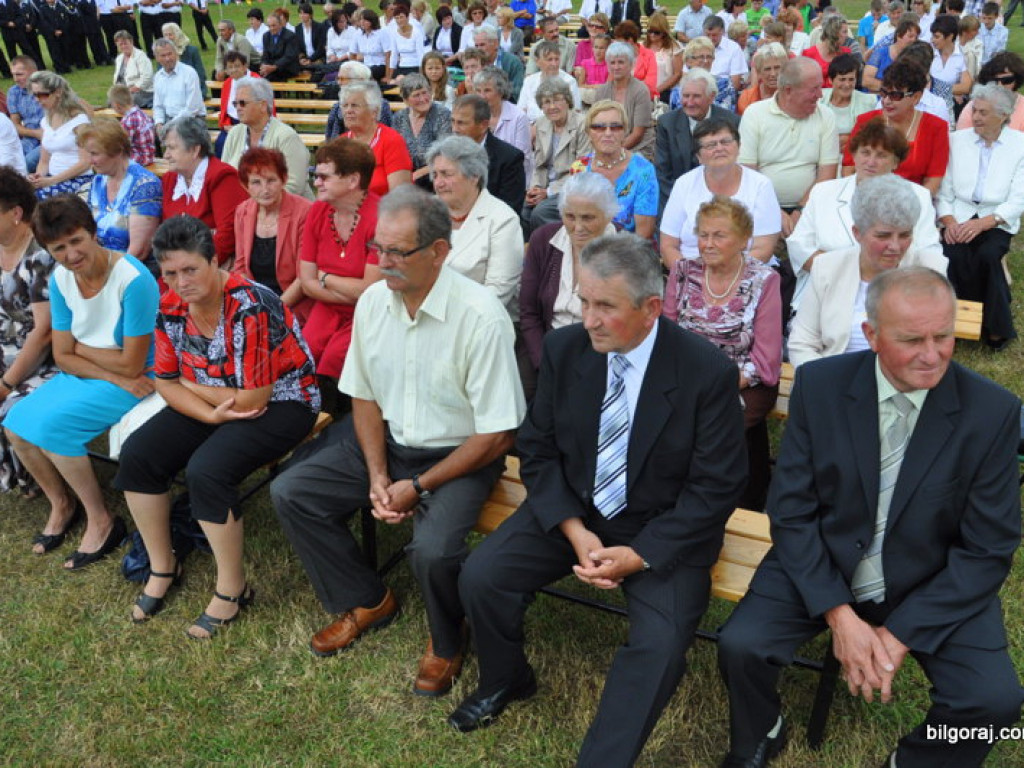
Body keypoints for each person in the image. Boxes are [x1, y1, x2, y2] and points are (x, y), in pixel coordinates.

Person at [450, 230, 746, 767]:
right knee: (482, 576)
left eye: (605, 306)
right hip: (578, 513)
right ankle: (507, 677)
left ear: (652, 307)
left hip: (663, 533)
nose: (588, 319)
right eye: (583, 301)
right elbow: (537, 449)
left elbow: (716, 488)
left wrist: (641, 553)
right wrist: (573, 529)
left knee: (657, 647)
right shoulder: (567, 349)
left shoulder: (706, 373)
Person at [717, 266, 1024, 768]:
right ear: (872, 335)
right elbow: (791, 510)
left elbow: (988, 550)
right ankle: (761, 729)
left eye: (943, 336)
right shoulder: (820, 387)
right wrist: (839, 614)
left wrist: (899, 633)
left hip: (932, 576)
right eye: (912, 339)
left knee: (994, 701)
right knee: (740, 646)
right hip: (827, 559)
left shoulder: (992, 414)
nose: (932, 354)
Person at [271, 185, 525, 698]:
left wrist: (419, 485)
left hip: (461, 454)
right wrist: (379, 473)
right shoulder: (374, 304)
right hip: (390, 440)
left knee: (432, 550)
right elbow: (363, 396)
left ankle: (448, 639)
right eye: (377, 249)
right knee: (291, 491)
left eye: (395, 252)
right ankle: (368, 599)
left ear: (438, 252)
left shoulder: (480, 317)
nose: (381, 263)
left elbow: (497, 433)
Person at [112, 214, 319, 638]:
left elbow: (251, 400)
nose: (181, 282)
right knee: (138, 454)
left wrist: (189, 384)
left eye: (190, 269)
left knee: (208, 469)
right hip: (212, 396)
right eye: (170, 273)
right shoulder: (169, 304)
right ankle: (162, 564)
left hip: (284, 400)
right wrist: (206, 412)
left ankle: (233, 588)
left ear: (214, 261)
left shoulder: (249, 304)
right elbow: (165, 383)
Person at [4, 195, 159, 569]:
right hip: (99, 374)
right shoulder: (60, 279)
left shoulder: (133, 279)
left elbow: (132, 362)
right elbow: (62, 354)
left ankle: (103, 520)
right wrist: (90, 358)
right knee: (16, 427)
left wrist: (79, 348)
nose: (71, 254)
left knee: (55, 430)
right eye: (59, 248)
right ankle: (62, 503)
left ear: (93, 233)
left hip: (139, 377)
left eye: (77, 241)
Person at [664, 196, 781, 510]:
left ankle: (729, 503)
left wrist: (717, 386)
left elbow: (767, 359)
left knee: (716, 424)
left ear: (744, 240)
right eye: (703, 235)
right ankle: (674, 501)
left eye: (719, 235)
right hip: (687, 378)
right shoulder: (683, 271)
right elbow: (668, 335)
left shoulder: (764, 280)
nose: (708, 243)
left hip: (745, 379)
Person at [790, 174, 948, 368]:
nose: (895, 246)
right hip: (834, 377)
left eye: (905, 235)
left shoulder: (930, 271)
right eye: (883, 236)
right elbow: (801, 344)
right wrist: (825, 384)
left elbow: (933, 349)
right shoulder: (827, 268)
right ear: (857, 233)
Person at [789, 118, 942, 313]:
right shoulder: (823, 192)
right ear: (854, 154)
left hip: (889, 291)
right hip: (826, 287)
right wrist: (845, 273)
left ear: (896, 162)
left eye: (881, 155)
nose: (870, 162)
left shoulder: (917, 196)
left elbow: (929, 252)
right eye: (865, 152)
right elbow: (799, 246)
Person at [938, 83, 1024, 350]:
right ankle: (957, 324)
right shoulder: (956, 140)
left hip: (995, 218)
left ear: (1003, 115)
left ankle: (995, 329)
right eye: (974, 110)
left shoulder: (1020, 145)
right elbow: (944, 190)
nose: (975, 117)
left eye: (984, 113)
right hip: (959, 214)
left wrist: (984, 223)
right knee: (953, 254)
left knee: (988, 256)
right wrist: (949, 222)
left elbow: (1019, 198)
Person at [298, 138, 382, 384]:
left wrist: (325, 278)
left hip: (367, 313)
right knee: (307, 354)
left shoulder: (380, 218)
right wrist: (347, 290)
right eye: (316, 175)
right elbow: (305, 282)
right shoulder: (317, 211)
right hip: (327, 307)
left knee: (336, 360)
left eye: (324, 177)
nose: (316, 183)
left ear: (353, 180)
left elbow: (371, 291)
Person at [520, 172, 617, 370]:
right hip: (548, 349)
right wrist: (544, 362)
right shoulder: (543, 239)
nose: (578, 227)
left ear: (608, 216)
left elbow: (623, 325)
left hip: (601, 356)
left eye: (588, 218)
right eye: (570, 217)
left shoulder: (623, 250)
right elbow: (529, 312)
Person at [0, 168, 57, 501]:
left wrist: (7, 383)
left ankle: (40, 482)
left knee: (10, 405)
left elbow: (45, 332)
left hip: (41, 355)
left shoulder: (41, 256)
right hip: (7, 346)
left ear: (15, 213)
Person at [738, 57, 839, 238]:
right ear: (788, 90)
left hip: (812, 206)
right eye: (814, 89)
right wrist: (774, 211)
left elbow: (827, 175)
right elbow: (748, 173)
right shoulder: (755, 114)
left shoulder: (826, 116)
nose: (821, 95)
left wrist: (800, 210)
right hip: (760, 205)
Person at [660, 118, 781, 269]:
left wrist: (722, 278)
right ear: (698, 156)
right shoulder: (684, 184)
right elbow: (668, 246)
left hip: (747, 273)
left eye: (725, 142)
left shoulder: (761, 185)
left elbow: (764, 248)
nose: (719, 148)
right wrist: (692, 277)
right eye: (710, 145)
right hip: (691, 275)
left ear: (739, 147)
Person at [427, 135, 523, 316]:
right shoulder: (424, 211)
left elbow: (497, 293)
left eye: (446, 174)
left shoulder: (502, 219)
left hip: (479, 322)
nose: (438, 183)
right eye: (435, 175)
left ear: (474, 176)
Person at [843, 60, 949, 197]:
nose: (886, 101)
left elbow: (933, 180)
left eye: (895, 96)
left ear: (916, 97)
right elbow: (849, 168)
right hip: (866, 198)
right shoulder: (866, 122)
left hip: (913, 202)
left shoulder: (936, 127)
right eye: (883, 93)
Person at [233, 147, 313, 323]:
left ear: (284, 179)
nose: (265, 189)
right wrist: (252, 305)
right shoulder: (242, 212)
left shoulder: (304, 212)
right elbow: (240, 267)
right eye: (256, 182)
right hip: (255, 302)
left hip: (295, 304)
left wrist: (273, 310)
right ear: (245, 185)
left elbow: (304, 277)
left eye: (271, 180)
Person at [160, 117, 249, 266]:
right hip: (175, 266)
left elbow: (227, 236)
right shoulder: (170, 179)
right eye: (166, 148)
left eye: (172, 148)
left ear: (195, 149)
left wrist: (192, 267)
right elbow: (165, 231)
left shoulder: (222, 177)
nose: (166, 155)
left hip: (211, 266)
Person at [655, 68, 740, 213]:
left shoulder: (731, 122)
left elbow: (735, 167)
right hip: (678, 199)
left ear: (711, 97)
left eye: (696, 96)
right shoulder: (667, 124)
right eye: (686, 96)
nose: (689, 102)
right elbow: (663, 174)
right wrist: (684, 202)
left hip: (721, 201)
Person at [81, 118, 161, 268]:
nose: (90, 161)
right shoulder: (99, 180)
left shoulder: (144, 185)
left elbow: (139, 251)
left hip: (131, 269)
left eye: (95, 154)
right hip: (101, 263)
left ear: (117, 151)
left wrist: (108, 277)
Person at [572, 100, 656, 239]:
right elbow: (574, 221)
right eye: (599, 127)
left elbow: (643, 233)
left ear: (625, 131)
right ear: (588, 133)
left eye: (616, 127)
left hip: (629, 250)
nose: (608, 133)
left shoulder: (643, 171)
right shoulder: (579, 167)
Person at [221, 77, 313, 201]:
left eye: (242, 103)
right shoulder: (234, 133)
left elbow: (294, 186)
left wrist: (254, 204)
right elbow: (224, 177)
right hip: (242, 209)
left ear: (263, 106)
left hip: (286, 212)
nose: (238, 108)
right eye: (235, 103)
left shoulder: (286, 137)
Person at [524, 78, 592, 233]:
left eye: (557, 100)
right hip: (546, 187)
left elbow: (581, 172)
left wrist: (548, 192)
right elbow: (539, 165)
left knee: (539, 213)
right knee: (522, 211)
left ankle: (554, 252)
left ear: (567, 101)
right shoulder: (542, 123)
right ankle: (531, 254)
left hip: (572, 189)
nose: (552, 106)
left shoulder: (582, 125)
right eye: (546, 102)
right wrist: (535, 188)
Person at [450, 94, 526, 213]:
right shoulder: (446, 153)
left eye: (461, 123)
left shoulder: (510, 158)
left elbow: (509, 208)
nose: (454, 129)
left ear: (483, 125)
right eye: (453, 121)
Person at [338, 81, 412, 196]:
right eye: (345, 105)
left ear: (374, 112)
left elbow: (400, 196)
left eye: (355, 105)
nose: (348, 111)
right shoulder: (340, 143)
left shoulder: (391, 140)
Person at [26, 71, 92, 200]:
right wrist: (38, 177)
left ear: (58, 92)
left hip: (78, 179)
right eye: (35, 95)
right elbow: (44, 161)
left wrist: (51, 181)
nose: (38, 100)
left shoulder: (79, 121)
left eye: (43, 95)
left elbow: (85, 162)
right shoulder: (46, 121)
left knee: (35, 201)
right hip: (53, 178)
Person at [594, 42, 654, 161]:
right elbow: (597, 127)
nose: (616, 67)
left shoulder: (641, 91)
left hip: (638, 147)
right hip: (608, 145)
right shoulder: (601, 91)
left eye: (621, 62)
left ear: (631, 64)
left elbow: (637, 134)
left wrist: (614, 152)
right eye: (612, 62)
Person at [474, 66, 532, 184]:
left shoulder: (518, 117)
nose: (482, 96)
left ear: (500, 91)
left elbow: (522, 157)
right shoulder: (474, 115)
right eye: (478, 91)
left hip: (511, 178)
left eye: (487, 90)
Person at [392, 73, 452, 186]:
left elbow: (445, 155)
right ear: (405, 100)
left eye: (425, 93)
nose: (423, 99)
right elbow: (394, 152)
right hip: (406, 177)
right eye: (416, 95)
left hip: (436, 177)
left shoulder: (443, 115)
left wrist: (416, 175)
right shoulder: (399, 118)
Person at [820, 54, 876, 155]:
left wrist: (849, 139)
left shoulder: (868, 101)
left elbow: (872, 136)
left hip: (854, 158)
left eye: (851, 79)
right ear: (830, 80)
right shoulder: (819, 99)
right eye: (842, 79)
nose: (847, 85)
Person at [151, 37, 205, 140]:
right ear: (157, 58)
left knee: (178, 138)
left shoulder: (189, 73)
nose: (167, 58)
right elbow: (158, 106)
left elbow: (192, 108)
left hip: (192, 120)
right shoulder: (158, 77)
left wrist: (170, 125)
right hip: (169, 120)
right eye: (163, 55)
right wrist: (159, 123)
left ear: (176, 53)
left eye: (170, 54)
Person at [517, 40, 581, 124]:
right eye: (549, 60)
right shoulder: (529, 81)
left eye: (556, 59)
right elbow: (521, 110)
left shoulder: (569, 82)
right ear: (537, 61)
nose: (554, 64)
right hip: (529, 127)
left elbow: (575, 112)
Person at [956, 52, 1024, 130]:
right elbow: (962, 136)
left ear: (1017, 80)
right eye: (995, 80)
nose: (1000, 85)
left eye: (1007, 80)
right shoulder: (975, 105)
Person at [704, 15, 748, 110]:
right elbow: (687, 75)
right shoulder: (698, 46)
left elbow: (735, 84)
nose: (711, 38)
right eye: (708, 35)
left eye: (714, 35)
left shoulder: (733, 48)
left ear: (723, 32)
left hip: (724, 95)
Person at [862, 18, 919, 91]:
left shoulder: (914, 58)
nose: (913, 40)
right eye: (910, 36)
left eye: (916, 37)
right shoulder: (880, 53)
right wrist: (892, 89)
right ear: (899, 36)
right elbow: (866, 80)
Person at [8, 56, 43, 173]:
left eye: (19, 74)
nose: (15, 79)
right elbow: (15, 125)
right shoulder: (14, 92)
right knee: (8, 161)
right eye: (13, 74)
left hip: (50, 139)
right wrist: (35, 133)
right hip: (29, 139)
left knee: (26, 163)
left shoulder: (49, 88)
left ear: (34, 73)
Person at [108, 85, 157, 168]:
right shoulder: (141, 113)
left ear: (117, 105)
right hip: (150, 155)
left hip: (139, 158)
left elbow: (123, 144)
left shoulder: (128, 120)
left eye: (111, 104)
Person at [737, 43, 788, 116]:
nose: (773, 74)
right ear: (758, 73)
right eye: (767, 69)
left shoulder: (792, 95)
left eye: (777, 68)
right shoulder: (747, 97)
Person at [162, 21, 209, 99]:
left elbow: (200, 74)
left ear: (177, 34)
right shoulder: (163, 54)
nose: (168, 38)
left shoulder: (192, 51)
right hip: (172, 91)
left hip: (193, 89)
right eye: (165, 35)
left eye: (170, 34)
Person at [643, 11, 683, 104]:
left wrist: (657, 90)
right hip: (643, 92)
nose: (652, 35)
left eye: (656, 32)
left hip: (665, 91)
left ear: (663, 32)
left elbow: (677, 74)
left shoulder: (674, 48)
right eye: (650, 31)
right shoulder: (643, 47)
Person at [802, 15, 851, 86]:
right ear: (834, 33)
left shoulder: (846, 53)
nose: (847, 36)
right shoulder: (809, 54)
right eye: (844, 32)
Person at [112, 31, 154, 109]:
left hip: (142, 92)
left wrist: (131, 90)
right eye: (121, 44)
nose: (124, 46)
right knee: (111, 101)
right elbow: (117, 79)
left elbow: (147, 78)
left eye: (125, 43)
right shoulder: (119, 58)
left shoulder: (140, 56)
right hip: (125, 91)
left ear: (131, 42)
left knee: (125, 102)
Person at [261, 9, 303, 81]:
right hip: (272, 67)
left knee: (271, 77)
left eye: (274, 25)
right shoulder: (266, 36)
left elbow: (288, 57)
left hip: (288, 68)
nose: (271, 28)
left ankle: (276, 92)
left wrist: (274, 67)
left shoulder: (290, 36)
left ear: (280, 24)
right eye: (269, 26)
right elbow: (265, 55)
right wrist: (265, 66)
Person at [350, 8, 390, 81]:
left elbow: (388, 56)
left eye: (365, 20)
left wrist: (388, 77)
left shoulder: (381, 33)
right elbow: (352, 54)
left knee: (364, 74)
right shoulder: (357, 34)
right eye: (361, 20)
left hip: (380, 66)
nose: (362, 22)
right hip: (365, 65)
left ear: (372, 21)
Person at [296, 2, 328, 73]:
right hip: (305, 59)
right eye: (300, 13)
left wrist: (310, 59)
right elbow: (298, 47)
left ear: (310, 15)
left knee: (312, 69)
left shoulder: (320, 27)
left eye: (305, 13)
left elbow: (321, 48)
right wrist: (302, 58)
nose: (302, 15)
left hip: (318, 58)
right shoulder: (297, 29)